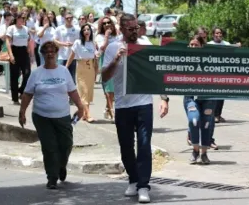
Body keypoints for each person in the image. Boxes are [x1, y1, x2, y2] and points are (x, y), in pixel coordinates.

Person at [102, 13, 169, 203]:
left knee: (145, 144)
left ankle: (143, 186)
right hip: (123, 106)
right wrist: (115, 59)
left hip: (143, 104)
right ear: (121, 29)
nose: (134, 32)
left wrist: (164, 98)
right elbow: (105, 77)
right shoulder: (113, 47)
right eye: (130, 29)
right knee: (126, 147)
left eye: (136, 28)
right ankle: (133, 178)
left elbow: (157, 75)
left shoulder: (145, 46)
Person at [19, 41, 84, 190]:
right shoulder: (37, 73)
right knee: (49, 147)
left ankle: (61, 165)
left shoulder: (63, 71)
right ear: (42, 54)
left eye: (52, 51)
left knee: (66, 144)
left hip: (62, 116)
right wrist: (22, 112)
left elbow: (72, 91)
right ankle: (52, 177)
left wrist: (80, 107)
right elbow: (27, 94)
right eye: (47, 51)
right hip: (42, 116)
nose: (50, 54)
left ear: (56, 54)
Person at [184, 36, 216, 164]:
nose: (193, 47)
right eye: (191, 44)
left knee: (207, 124)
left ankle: (204, 153)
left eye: (196, 45)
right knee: (194, 120)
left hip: (208, 97)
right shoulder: (182, 60)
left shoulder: (210, 60)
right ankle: (195, 150)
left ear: (202, 47)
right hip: (191, 97)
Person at [66, 24, 96, 122]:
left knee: (89, 92)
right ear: (82, 32)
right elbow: (72, 55)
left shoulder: (93, 43)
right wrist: (66, 67)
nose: (87, 31)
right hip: (82, 68)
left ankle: (84, 114)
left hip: (91, 68)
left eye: (88, 29)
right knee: (84, 91)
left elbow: (95, 57)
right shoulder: (78, 42)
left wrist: (96, 70)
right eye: (84, 30)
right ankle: (88, 114)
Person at [6, 12, 32, 105]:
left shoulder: (26, 29)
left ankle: (21, 90)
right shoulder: (11, 28)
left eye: (24, 19)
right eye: (21, 18)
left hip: (24, 52)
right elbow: (8, 42)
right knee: (14, 76)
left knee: (27, 73)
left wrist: (30, 53)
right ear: (17, 19)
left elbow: (28, 41)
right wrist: (11, 55)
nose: (22, 20)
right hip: (15, 51)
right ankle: (15, 98)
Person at [54, 12, 80, 84]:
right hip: (62, 56)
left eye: (70, 18)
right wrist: (63, 44)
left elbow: (80, 41)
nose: (69, 19)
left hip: (73, 57)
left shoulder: (77, 29)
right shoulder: (59, 29)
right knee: (60, 77)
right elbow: (54, 40)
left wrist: (73, 44)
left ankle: (71, 94)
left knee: (72, 78)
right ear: (64, 19)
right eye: (67, 18)